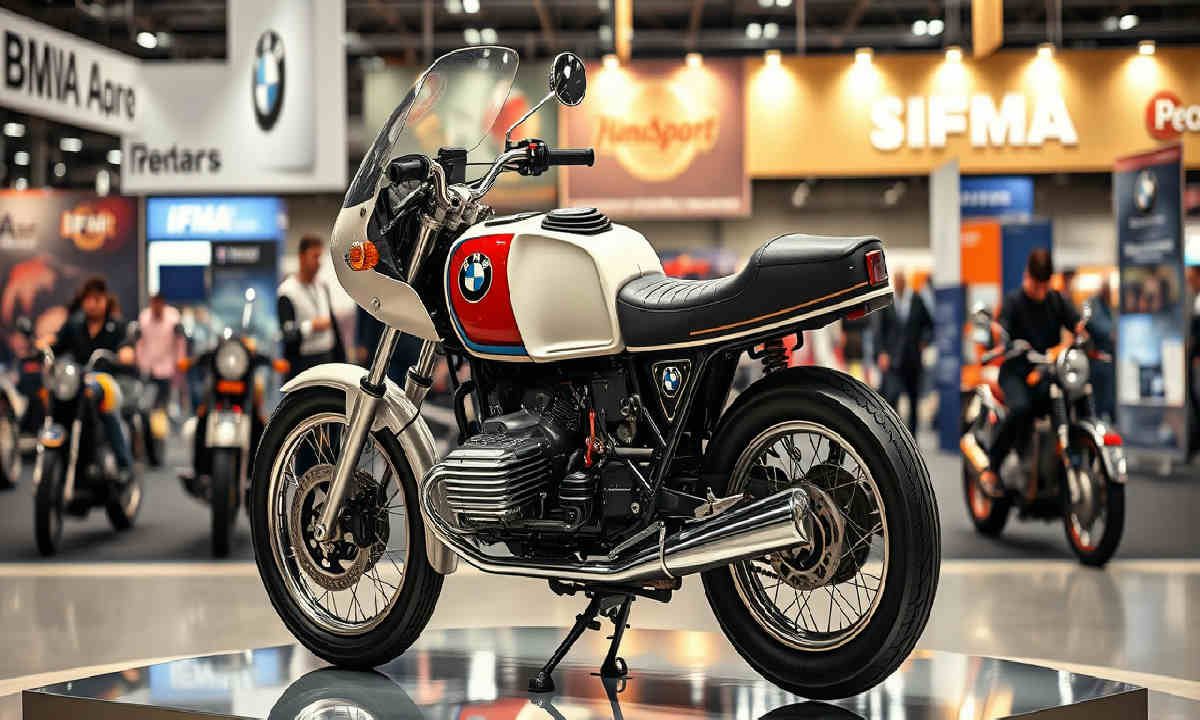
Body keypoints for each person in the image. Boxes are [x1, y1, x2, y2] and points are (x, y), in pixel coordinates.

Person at [980, 249, 1082, 497]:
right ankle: (993, 466)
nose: (1040, 291)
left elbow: (1077, 324)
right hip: (1015, 372)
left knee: (1071, 397)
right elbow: (1001, 329)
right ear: (1027, 275)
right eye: (1036, 285)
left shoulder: (1056, 300)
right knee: (1021, 409)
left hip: (1046, 373)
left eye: (1045, 286)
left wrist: (1084, 333)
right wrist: (1002, 339)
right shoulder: (1013, 302)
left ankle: (1060, 461)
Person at [48, 277, 135, 478]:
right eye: (88, 299)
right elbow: (57, 344)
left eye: (97, 299)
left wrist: (126, 352)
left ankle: (124, 464)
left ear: (106, 300)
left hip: (106, 380)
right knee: (57, 397)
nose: (92, 304)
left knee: (109, 412)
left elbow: (126, 346)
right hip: (77, 380)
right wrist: (44, 346)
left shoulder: (116, 325)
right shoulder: (74, 324)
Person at [278, 235, 346, 380]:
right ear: (302, 257)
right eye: (315, 256)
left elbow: (333, 325)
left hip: (327, 358)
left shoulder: (322, 286)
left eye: (320, 257)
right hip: (302, 363)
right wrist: (311, 326)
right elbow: (287, 336)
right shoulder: (287, 292)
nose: (319, 262)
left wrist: (343, 361)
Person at [874, 270, 933, 434]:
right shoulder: (888, 302)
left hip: (912, 359)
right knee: (892, 397)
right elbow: (880, 330)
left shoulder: (917, 300)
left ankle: (912, 436)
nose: (899, 284)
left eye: (901, 281)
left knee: (914, 399)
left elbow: (929, 325)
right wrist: (881, 352)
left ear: (905, 282)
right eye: (897, 281)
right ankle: (896, 435)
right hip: (893, 360)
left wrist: (924, 341)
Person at [136, 293, 184, 411]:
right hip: (149, 369)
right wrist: (140, 362)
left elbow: (180, 342)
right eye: (154, 304)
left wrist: (180, 361)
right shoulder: (143, 317)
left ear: (163, 304)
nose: (156, 307)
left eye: (159, 304)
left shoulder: (174, 317)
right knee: (147, 405)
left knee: (168, 405)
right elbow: (139, 343)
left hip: (168, 368)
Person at [1086, 277, 1116, 421]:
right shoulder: (1092, 304)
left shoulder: (1108, 308)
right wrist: (1110, 334)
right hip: (1098, 360)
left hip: (1109, 362)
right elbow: (1091, 324)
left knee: (1109, 402)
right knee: (1099, 404)